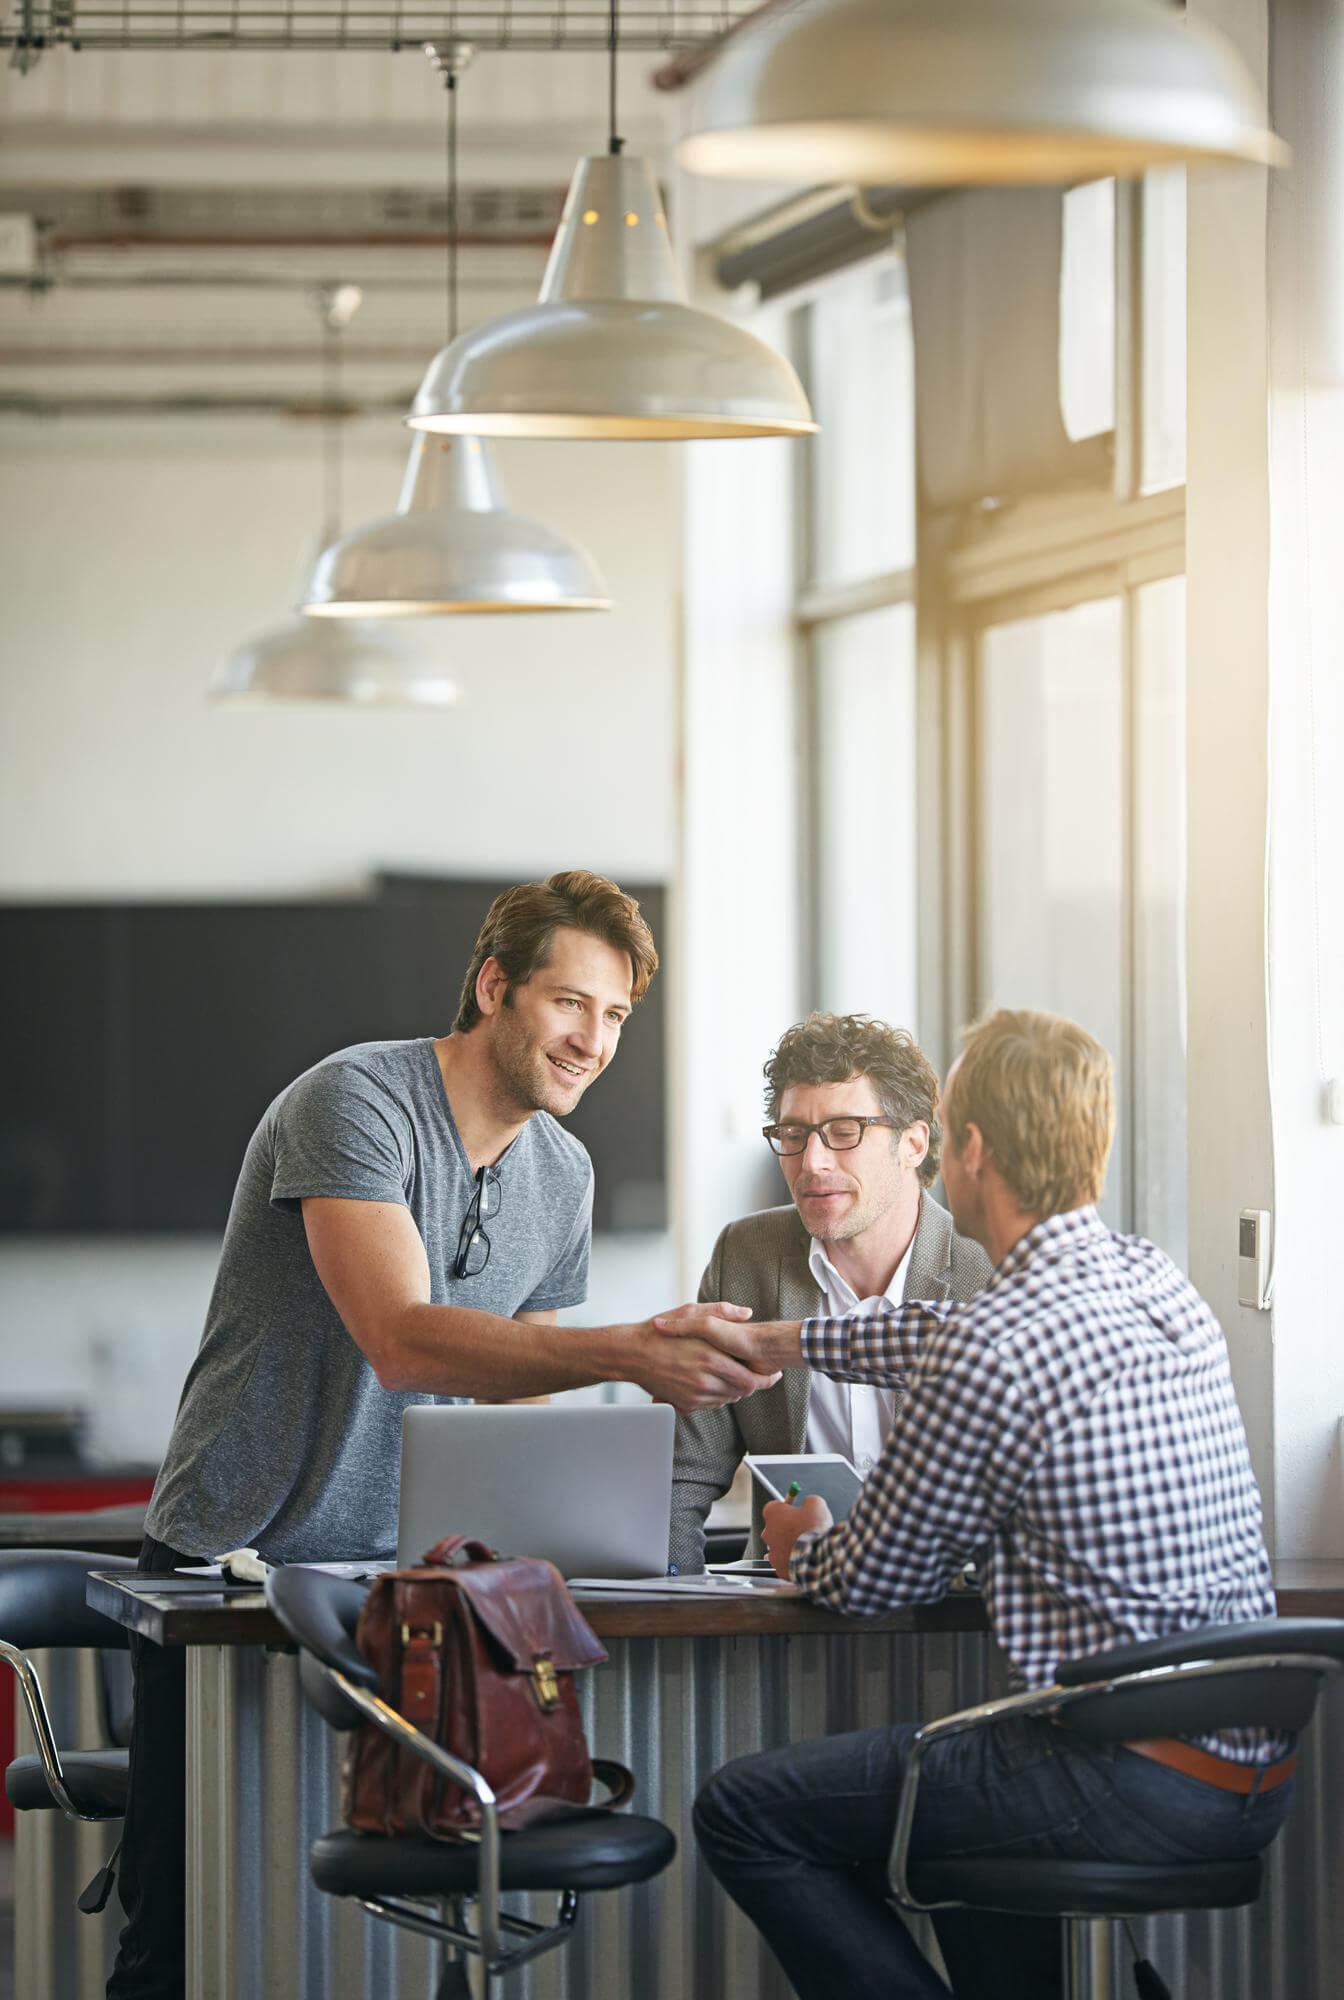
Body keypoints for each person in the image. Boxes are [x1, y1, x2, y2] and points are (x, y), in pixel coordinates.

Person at [109, 868, 775, 2000]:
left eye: (617, 1014)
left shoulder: (563, 1172)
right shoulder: (354, 1101)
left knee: (422, 1921)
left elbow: (518, 1396)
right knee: (190, 1928)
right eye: (570, 1002)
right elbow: (404, 1340)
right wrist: (630, 1351)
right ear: (494, 985)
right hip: (236, 1560)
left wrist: (584, 1497)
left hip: (418, 1591)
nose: (594, 1040)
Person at [692, 1009, 1293, 2000]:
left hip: (1111, 1775)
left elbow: (867, 1580)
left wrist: (803, 1539)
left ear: (964, 1151)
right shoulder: (1156, 1285)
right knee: (958, 1835)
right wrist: (790, 1341)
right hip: (1245, 1773)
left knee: (743, 1810)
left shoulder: (993, 1346)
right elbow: (945, 1330)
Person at [669, 1013, 989, 1573]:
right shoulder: (746, 1254)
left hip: (946, 1605)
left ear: (913, 1143)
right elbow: (683, 1476)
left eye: (844, 1132)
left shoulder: (986, 1269)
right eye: (794, 1135)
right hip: (780, 1601)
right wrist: (676, 1603)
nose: (812, 1163)